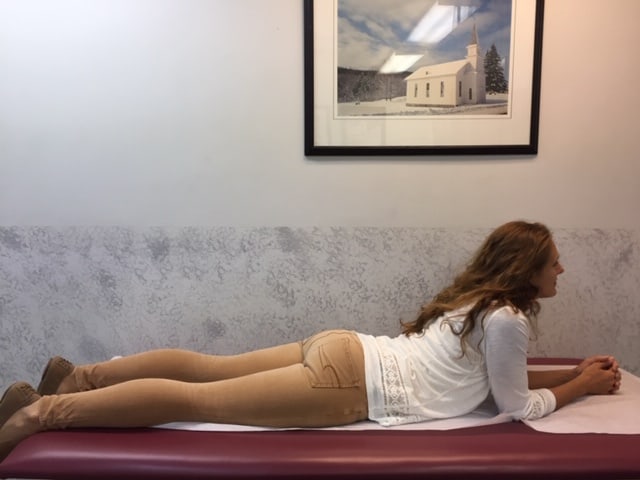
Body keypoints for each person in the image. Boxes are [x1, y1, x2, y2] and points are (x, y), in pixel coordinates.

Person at [0, 220, 622, 462]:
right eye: (554, 263)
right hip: (351, 385)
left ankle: (75, 376)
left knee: (206, 369)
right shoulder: (508, 318)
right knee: (196, 401)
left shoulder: (477, 300)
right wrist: (579, 388)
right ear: (526, 270)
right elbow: (514, 404)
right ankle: (41, 413)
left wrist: (573, 376)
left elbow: (496, 378)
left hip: (343, 348)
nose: (561, 271)